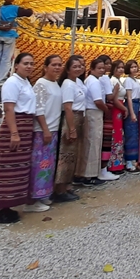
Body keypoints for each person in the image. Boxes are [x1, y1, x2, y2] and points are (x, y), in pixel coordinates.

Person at [0, 53, 36, 224]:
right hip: (16, 124)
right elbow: (9, 108)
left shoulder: (25, 82)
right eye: (25, 63)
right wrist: (14, 133)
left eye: (31, 64)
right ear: (16, 65)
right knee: (8, 168)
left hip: (26, 125)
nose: (29, 66)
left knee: (19, 168)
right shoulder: (12, 82)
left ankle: (10, 204)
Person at [24, 55, 64, 213]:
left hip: (53, 128)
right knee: (40, 165)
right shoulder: (41, 84)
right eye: (54, 65)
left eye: (60, 65)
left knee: (48, 165)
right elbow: (38, 108)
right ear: (45, 67)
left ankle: (43, 194)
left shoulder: (55, 84)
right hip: (43, 130)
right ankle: (32, 199)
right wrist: (45, 129)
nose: (57, 67)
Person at [54, 55, 85, 202]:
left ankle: (67, 185)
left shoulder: (78, 82)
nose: (78, 69)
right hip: (71, 119)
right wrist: (71, 128)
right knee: (65, 155)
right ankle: (59, 189)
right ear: (68, 69)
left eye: (80, 66)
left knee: (73, 154)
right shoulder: (67, 84)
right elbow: (67, 107)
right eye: (75, 66)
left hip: (79, 118)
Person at [0, 0, 34, 87]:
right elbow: (28, 13)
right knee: (6, 59)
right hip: (9, 35)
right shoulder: (14, 9)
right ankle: (0, 80)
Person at [75, 57, 109, 186]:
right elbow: (98, 101)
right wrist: (107, 111)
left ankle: (84, 173)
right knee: (93, 143)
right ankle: (90, 175)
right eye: (99, 68)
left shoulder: (90, 80)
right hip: (94, 112)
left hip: (90, 111)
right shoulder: (94, 81)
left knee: (89, 143)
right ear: (92, 69)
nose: (102, 70)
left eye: (103, 68)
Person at [122, 60, 140, 171]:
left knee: (135, 132)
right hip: (132, 104)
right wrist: (132, 112)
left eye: (135, 66)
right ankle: (128, 160)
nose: (134, 68)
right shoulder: (128, 80)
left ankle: (133, 158)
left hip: (138, 104)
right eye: (132, 67)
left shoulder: (135, 80)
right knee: (131, 132)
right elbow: (128, 97)